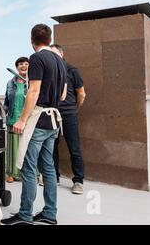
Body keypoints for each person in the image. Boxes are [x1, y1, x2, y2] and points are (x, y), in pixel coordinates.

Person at [1, 24, 67, 226]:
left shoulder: (37, 58)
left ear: (32, 40)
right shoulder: (60, 61)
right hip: (54, 122)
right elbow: (63, 95)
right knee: (47, 167)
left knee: (29, 168)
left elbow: (34, 91)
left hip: (38, 120)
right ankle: (49, 212)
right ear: (49, 38)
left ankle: (25, 214)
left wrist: (22, 119)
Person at [51, 44, 86, 195]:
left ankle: (78, 181)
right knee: (51, 146)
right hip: (52, 113)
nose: (52, 57)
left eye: (54, 54)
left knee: (74, 148)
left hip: (69, 114)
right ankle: (54, 177)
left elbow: (81, 94)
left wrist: (73, 108)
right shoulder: (49, 71)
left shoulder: (72, 70)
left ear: (61, 53)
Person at [4, 57, 29, 183]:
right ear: (17, 67)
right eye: (20, 64)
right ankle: (11, 173)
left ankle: (29, 174)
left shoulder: (32, 82)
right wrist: (4, 116)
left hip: (28, 120)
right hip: (13, 119)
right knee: (12, 149)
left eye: (26, 63)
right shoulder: (10, 83)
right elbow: (6, 103)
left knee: (27, 148)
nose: (23, 66)